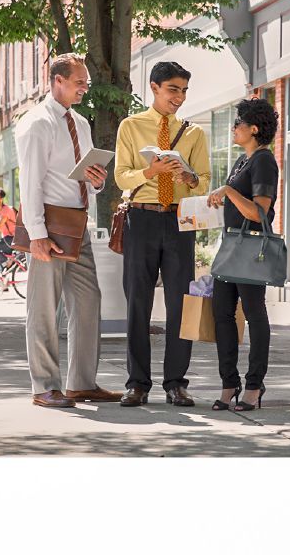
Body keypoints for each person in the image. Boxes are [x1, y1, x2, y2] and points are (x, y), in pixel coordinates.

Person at [15, 53, 121, 408]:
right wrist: (37, 234)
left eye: (86, 83)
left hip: (78, 224)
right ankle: (44, 386)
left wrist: (97, 182)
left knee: (89, 301)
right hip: (49, 224)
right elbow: (30, 182)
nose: (84, 89)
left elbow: (85, 179)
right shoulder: (36, 123)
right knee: (44, 309)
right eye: (79, 83)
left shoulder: (81, 123)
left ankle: (81, 383)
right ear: (57, 81)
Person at [113, 61, 211, 407]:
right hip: (141, 219)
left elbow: (205, 181)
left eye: (183, 91)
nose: (179, 97)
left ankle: (176, 384)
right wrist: (150, 171)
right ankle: (137, 384)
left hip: (179, 221)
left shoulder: (194, 133)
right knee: (137, 303)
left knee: (180, 304)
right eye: (173, 89)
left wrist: (189, 178)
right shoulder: (131, 126)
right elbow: (121, 177)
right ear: (154, 87)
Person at [207, 98, 279, 411]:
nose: (233, 128)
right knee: (221, 313)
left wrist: (228, 192)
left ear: (254, 129)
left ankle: (254, 385)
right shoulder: (242, 160)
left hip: (250, 248)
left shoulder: (264, 161)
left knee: (253, 313)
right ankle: (229, 383)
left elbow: (259, 212)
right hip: (230, 246)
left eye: (238, 124)